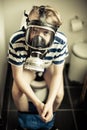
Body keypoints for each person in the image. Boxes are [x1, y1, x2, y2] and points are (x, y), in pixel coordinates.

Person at [8, 5, 68, 129]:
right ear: (28, 27)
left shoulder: (60, 41)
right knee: (16, 91)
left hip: (48, 67)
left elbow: (58, 73)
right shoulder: (16, 41)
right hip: (27, 68)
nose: (38, 37)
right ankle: (25, 123)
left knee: (58, 95)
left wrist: (49, 104)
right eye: (34, 30)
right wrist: (37, 103)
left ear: (54, 33)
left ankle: (49, 116)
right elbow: (17, 76)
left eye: (45, 32)